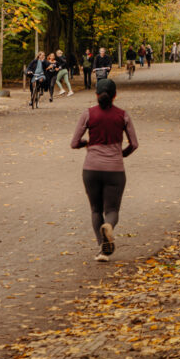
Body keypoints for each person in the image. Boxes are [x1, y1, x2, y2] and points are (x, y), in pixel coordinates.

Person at [70, 79, 139, 262]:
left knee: (95, 210)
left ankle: (102, 249)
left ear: (96, 95)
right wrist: (121, 154)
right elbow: (134, 144)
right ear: (115, 95)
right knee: (112, 209)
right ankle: (108, 226)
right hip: (115, 169)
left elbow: (74, 143)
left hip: (91, 169)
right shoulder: (123, 115)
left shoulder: (88, 114)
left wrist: (86, 143)